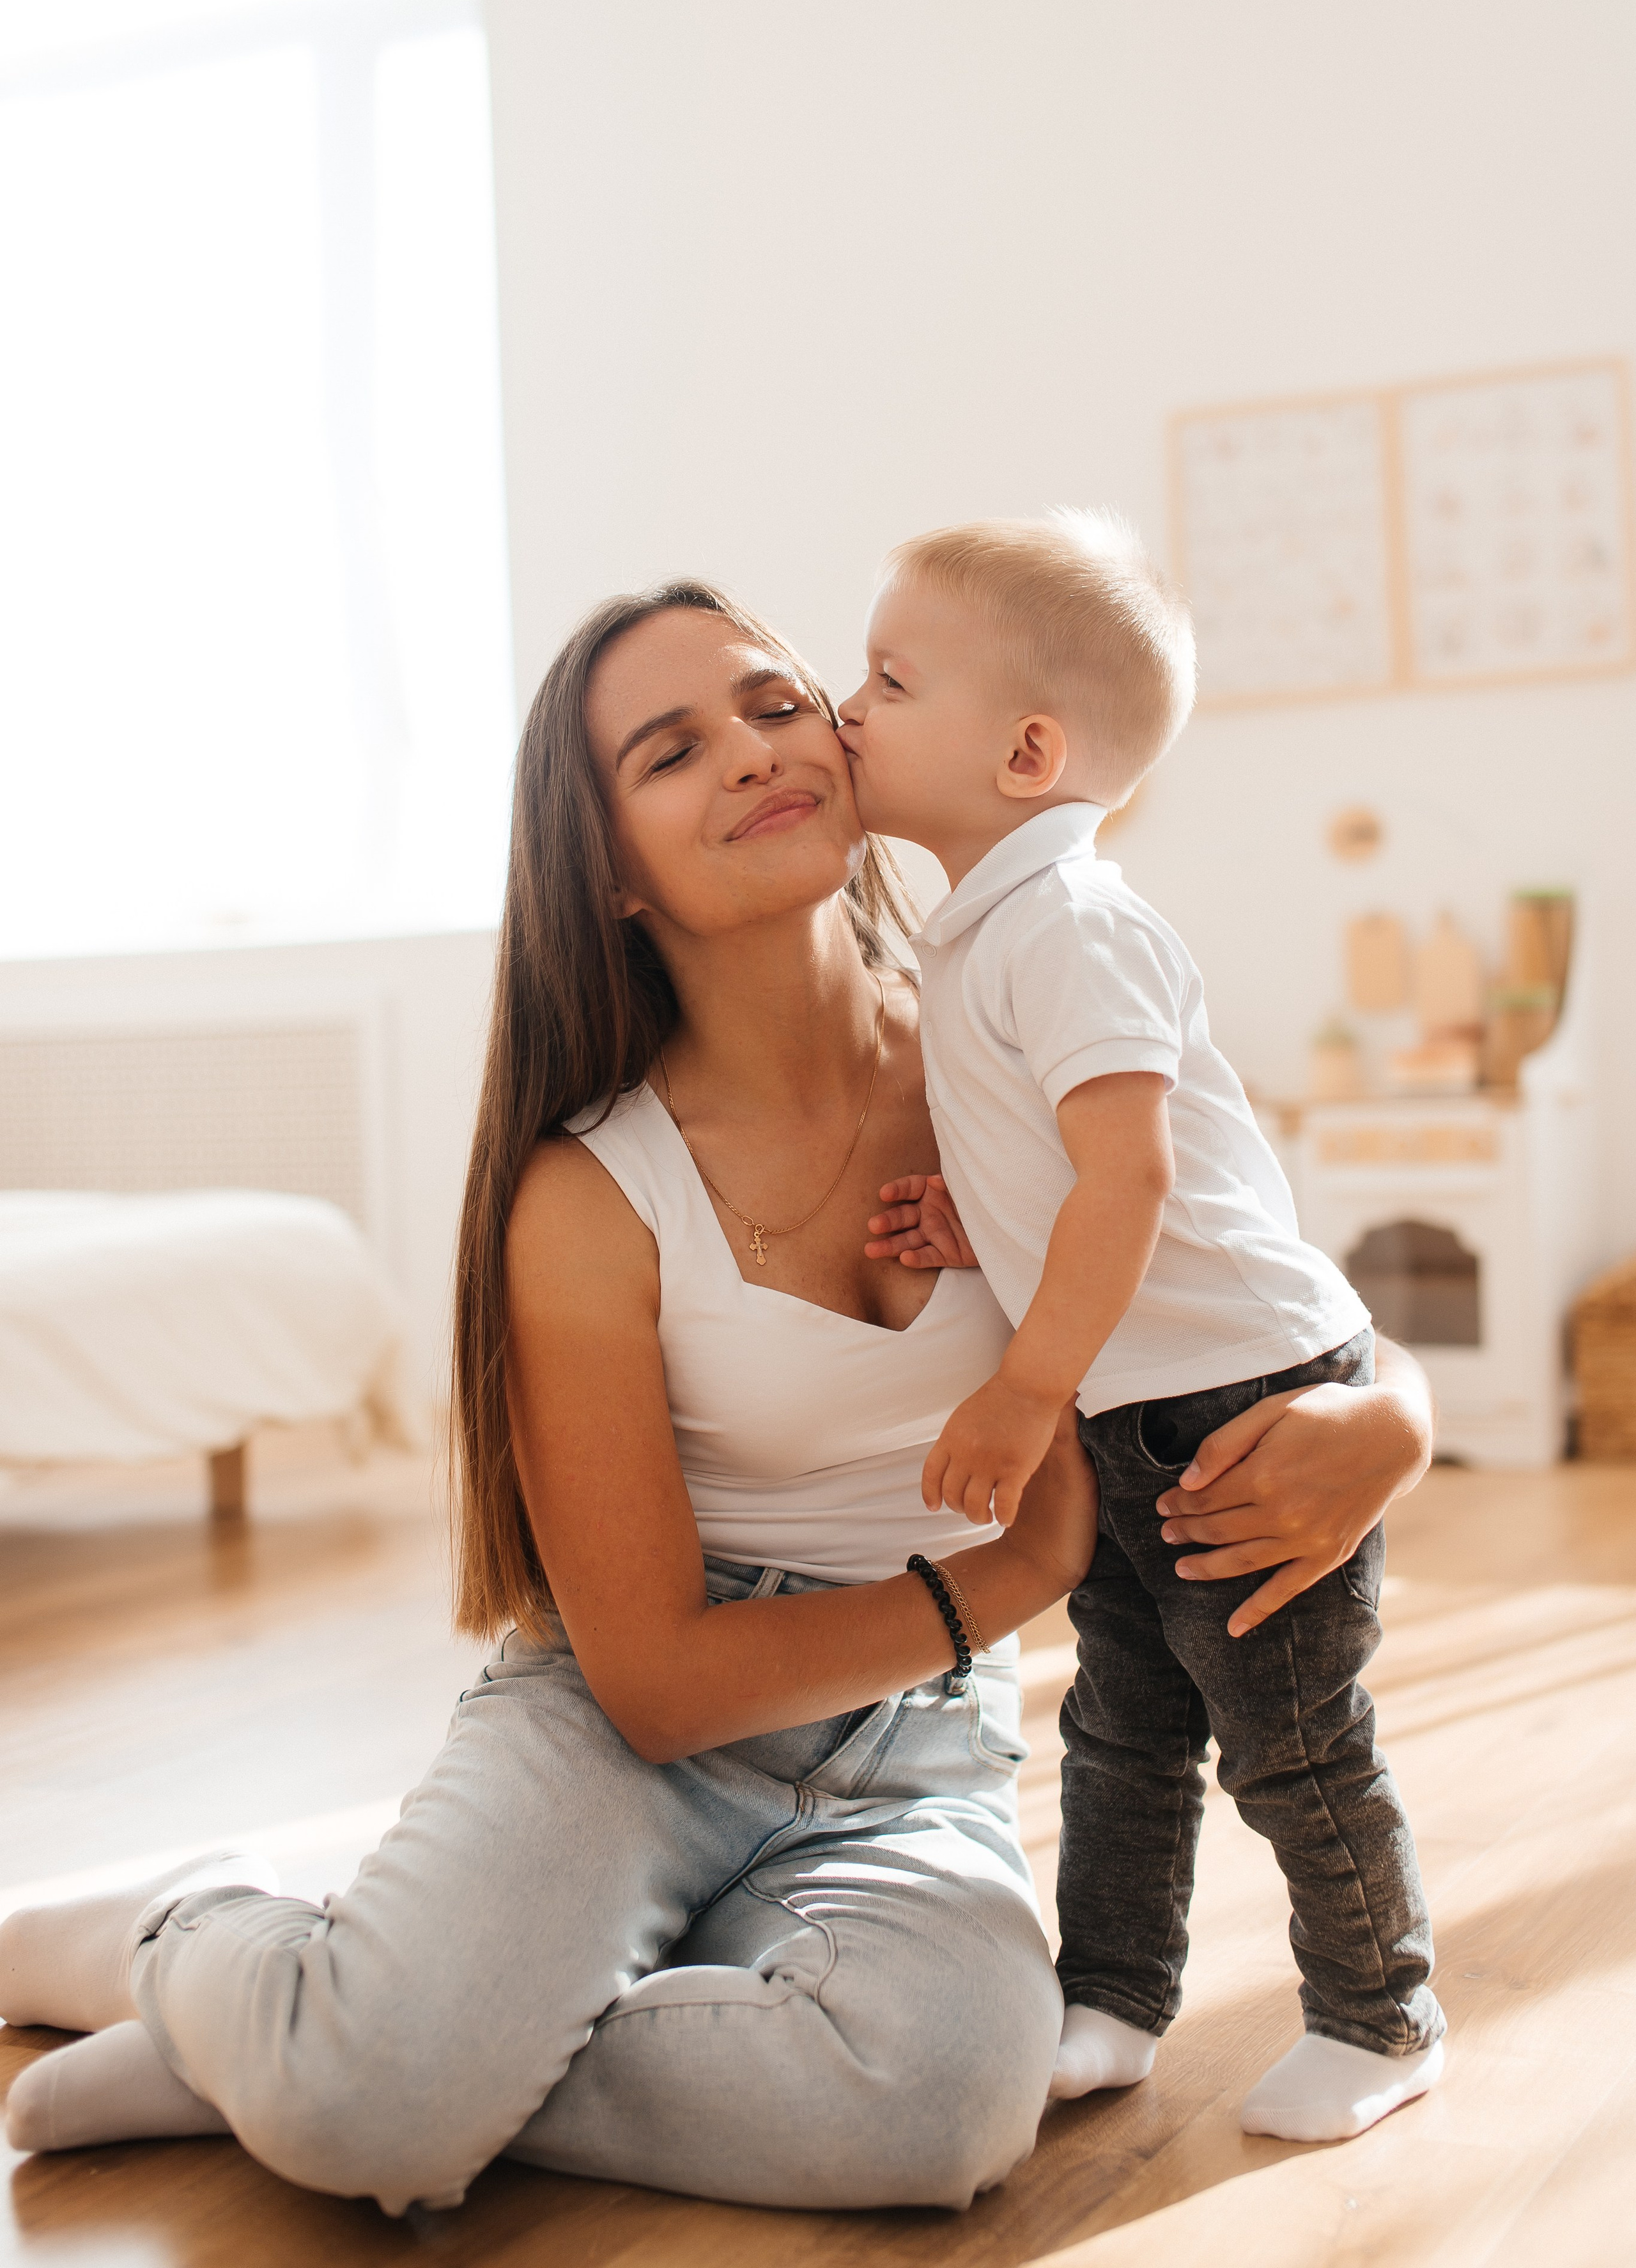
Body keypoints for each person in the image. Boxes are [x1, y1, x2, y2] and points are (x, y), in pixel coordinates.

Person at [3, 582, 1435, 2213]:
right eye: (672, 750)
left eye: (775, 703)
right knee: (375, 2109)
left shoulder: (1042, 1022)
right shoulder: (587, 1190)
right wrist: (1016, 1577)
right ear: (607, 870)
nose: (754, 754)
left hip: (917, 1747)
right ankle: (222, 1947)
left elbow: (1260, 1297)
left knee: (940, 2113)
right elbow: (662, 1686)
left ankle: (344, 2031)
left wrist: (1391, 1419)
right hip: (632, 1733)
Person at [840, 513, 1447, 2145]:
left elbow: (1133, 1168)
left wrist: (1025, 1382)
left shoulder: (1070, 923)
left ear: (1025, 750)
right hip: (1137, 1393)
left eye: (887, 682)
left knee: (1290, 1741)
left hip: (1238, 1396)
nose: (847, 710)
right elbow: (1074, 1167)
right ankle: (1108, 1995)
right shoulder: (983, 925)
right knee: (1119, 1722)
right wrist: (985, 1216)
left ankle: (1378, 2016)